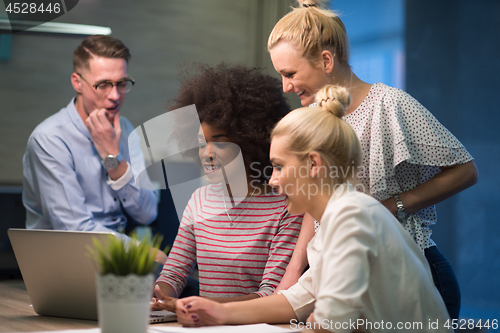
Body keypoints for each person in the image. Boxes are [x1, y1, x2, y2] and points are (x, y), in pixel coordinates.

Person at [173, 85, 453, 333]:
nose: (272, 179)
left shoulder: (352, 218)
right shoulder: (333, 225)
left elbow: (329, 326)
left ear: (314, 164)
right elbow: (295, 301)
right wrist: (218, 312)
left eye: (279, 166)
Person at [267, 0, 478, 320]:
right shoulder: (310, 119)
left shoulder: (390, 105)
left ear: (326, 60)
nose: (286, 86)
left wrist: (394, 205)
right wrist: (294, 269)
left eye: (290, 73)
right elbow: (316, 199)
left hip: (413, 277)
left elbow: (466, 171)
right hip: (351, 273)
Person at [151, 63, 302, 310]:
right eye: (201, 143)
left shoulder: (286, 207)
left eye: (219, 142)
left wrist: (200, 305)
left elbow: (271, 296)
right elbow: (174, 274)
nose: (207, 153)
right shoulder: (199, 200)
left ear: (249, 141)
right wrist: (157, 297)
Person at [22, 35, 164, 262]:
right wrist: (144, 252)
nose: (115, 96)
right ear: (77, 82)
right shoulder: (49, 139)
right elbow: (74, 230)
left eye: (121, 83)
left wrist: (113, 160)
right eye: (103, 85)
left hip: (113, 259)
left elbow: (147, 213)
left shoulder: (125, 129)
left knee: (192, 291)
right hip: (63, 263)